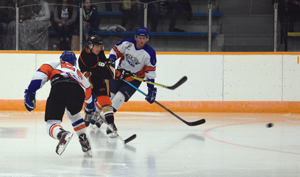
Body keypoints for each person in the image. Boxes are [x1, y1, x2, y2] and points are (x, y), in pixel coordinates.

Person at [24, 51, 95, 156]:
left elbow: (40, 76)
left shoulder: (55, 64)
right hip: (77, 90)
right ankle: (83, 138)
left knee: (51, 123)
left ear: (61, 59)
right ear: (74, 62)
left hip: (60, 86)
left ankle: (61, 133)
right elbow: (88, 89)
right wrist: (89, 108)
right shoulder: (78, 72)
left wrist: (31, 91)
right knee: (74, 115)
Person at [91, 27, 157, 129]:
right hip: (120, 74)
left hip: (134, 79)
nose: (141, 41)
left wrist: (151, 89)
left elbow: (150, 73)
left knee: (118, 99)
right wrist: (112, 60)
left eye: (143, 38)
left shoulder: (150, 53)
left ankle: (103, 118)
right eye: (139, 38)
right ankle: (95, 113)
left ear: (147, 39)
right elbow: (115, 50)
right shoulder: (127, 43)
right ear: (136, 37)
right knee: (109, 96)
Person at [78, 35, 133, 138]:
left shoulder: (98, 50)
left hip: (99, 77)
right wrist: (119, 74)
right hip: (88, 79)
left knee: (105, 99)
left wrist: (108, 62)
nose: (99, 48)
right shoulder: (86, 57)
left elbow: (103, 61)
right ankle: (88, 113)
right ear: (90, 46)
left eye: (100, 46)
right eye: (97, 46)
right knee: (89, 99)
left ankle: (111, 123)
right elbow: (102, 70)